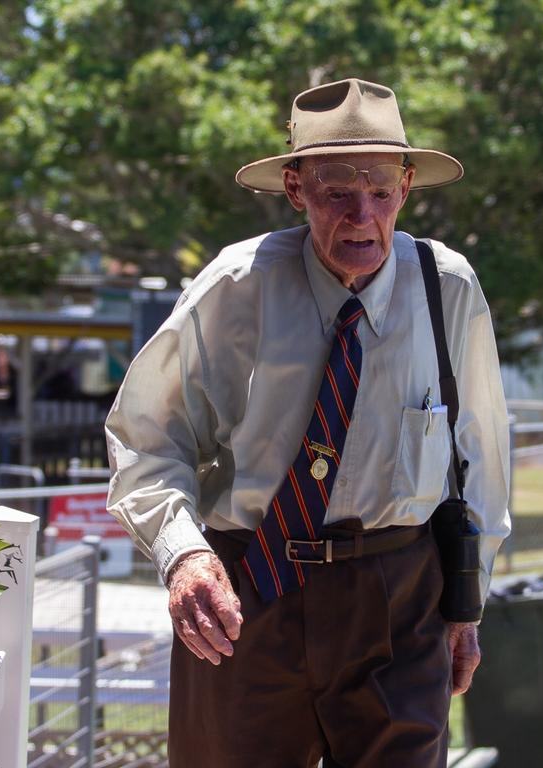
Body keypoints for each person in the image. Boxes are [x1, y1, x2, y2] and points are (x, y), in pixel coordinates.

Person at [106, 77, 510, 768]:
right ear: (295, 189)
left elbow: (480, 457)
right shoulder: (236, 285)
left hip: (398, 595)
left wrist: (468, 604)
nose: (362, 215)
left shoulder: (447, 288)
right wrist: (184, 554)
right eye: (336, 194)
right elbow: (149, 437)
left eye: (380, 192)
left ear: (407, 187)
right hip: (247, 591)